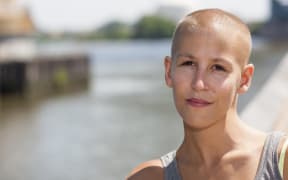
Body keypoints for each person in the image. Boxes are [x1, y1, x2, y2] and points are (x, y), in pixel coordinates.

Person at [126, 8, 288, 180]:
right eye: (188, 63)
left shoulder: (281, 162)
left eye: (218, 68)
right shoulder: (148, 177)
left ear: (244, 79)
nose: (198, 84)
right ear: (168, 71)